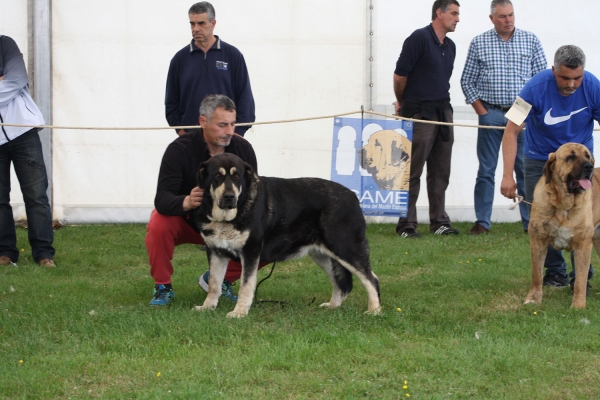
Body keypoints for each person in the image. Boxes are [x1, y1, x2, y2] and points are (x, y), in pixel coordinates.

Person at [146, 94, 261, 306]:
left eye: (233, 124)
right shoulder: (179, 150)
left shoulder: (243, 149)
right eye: (222, 125)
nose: (229, 131)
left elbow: (255, 194)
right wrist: (186, 202)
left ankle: (219, 280)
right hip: (191, 221)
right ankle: (163, 286)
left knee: (265, 237)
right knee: (159, 223)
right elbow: (162, 199)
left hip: (229, 226)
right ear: (202, 122)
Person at [501, 45, 600, 288]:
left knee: (583, 220)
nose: (571, 84)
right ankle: (555, 272)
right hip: (540, 159)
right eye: (565, 78)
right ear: (553, 69)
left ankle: (581, 278)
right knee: (543, 219)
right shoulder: (533, 87)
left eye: (577, 78)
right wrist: (506, 176)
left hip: (581, 161)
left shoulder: (594, 86)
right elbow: (511, 131)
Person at [461, 0, 546, 235]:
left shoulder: (531, 40)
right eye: (502, 17)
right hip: (491, 110)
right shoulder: (479, 42)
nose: (508, 20)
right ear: (492, 19)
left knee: (525, 168)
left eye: (511, 15)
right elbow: (467, 80)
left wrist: (528, 112)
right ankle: (482, 222)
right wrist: (482, 111)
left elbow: (541, 80)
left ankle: (531, 223)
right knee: (486, 169)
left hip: (521, 112)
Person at [393, 0, 461, 238]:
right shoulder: (418, 38)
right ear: (439, 13)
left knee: (441, 171)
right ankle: (407, 224)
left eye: (458, 14)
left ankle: (439, 222)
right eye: (453, 13)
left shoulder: (450, 46)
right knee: (411, 170)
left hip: (444, 112)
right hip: (419, 113)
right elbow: (400, 76)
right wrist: (403, 104)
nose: (457, 19)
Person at [0, 35, 55, 268]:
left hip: (23, 132)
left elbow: (16, 79)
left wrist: (4, 80)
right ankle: (5, 252)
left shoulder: (5, 44)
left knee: (36, 196)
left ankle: (44, 253)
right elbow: (9, 85)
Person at [165, 1, 255, 137]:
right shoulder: (179, 59)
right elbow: (171, 101)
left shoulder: (233, 56)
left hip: (226, 138)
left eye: (201, 23)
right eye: (192, 23)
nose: (195, 28)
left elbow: (245, 97)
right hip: (191, 139)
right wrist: (181, 132)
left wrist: (238, 132)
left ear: (213, 24)